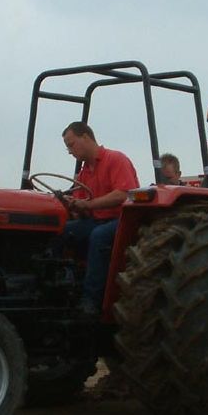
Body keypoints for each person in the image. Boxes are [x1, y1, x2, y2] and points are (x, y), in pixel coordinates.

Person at [60, 122, 139, 315]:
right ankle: (62, 284)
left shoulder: (116, 159)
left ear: (85, 137)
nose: (70, 151)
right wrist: (72, 205)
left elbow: (123, 193)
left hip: (123, 221)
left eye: (71, 145)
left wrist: (88, 205)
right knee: (62, 230)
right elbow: (82, 207)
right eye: (67, 147)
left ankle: (91, 300)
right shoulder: (84, 173)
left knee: (98, 235)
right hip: (95, 220)